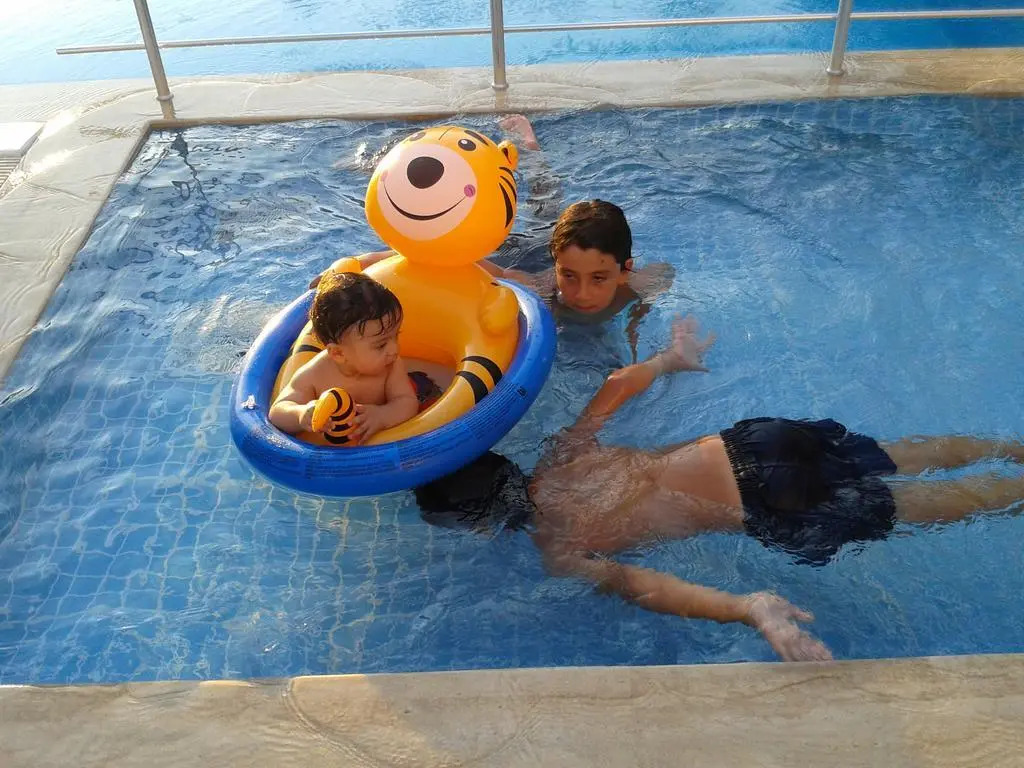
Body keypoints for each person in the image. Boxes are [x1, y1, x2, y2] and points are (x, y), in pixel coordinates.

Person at [414, 315, 1024, 662]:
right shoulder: (559, 459)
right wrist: (669, 358)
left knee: (917, 506)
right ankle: (1010, 448)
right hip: (751, 441)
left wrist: (748, 607)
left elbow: (644, 586)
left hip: (766, 500)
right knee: (899, 455)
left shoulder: (558, 547)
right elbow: (616, 387)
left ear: (480, 526)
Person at [315, 116, 674, 358]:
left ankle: (528, 150)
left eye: (599, 279)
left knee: (548, 212)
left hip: (564, 250)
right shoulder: (540, 290)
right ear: (557, 267)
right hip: (527, 254)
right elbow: (455, 265)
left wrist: (635, 326)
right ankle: (527, 149)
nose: (580, 294)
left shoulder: (645, 282)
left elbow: (660, 280)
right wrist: (362, 264)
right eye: (569, 276)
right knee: (546, 211)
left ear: (624, 270)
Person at [269, 271, 441, 443]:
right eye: (381, 345)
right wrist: (300, 414)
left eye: (396, 336)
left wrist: (382, 416)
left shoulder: (391, 365)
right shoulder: (315, 374)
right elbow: (277, 412)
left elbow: (407, 402)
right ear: (338, 353)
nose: (394, 350)